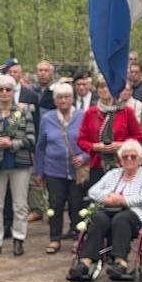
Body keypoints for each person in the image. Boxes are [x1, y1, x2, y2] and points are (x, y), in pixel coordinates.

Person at [68, 140, 142, 281]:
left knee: (121, 219)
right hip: (109, 210)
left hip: (133, 214)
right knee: (97, 219)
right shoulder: (113, 173)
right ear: (120, 160)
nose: (129, 159)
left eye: (133, 156)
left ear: (140, 159)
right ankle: (85, 262)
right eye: (125, 157)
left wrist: (124, 200)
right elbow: (92, 191)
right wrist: (107, 198)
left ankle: (120, 262)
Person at [0, 74, 36, 257]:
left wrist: (12, 143)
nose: (4, 93)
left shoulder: (22, 113)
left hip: (20, 163)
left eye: (8, 89)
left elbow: (31, 139)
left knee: (20, 205)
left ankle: (19, 238)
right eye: (1, 89)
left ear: (13, 92)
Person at [34, 82, 88, 254]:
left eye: (66, 97)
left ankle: (77, 238)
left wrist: (84, 157)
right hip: (53, 170)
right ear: (55, 100)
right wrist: (39, 171)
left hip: (76, 171)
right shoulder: (47, 118)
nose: (63, 100)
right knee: (55, 205)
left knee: (77, 205)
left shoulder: (82, 116)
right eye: (59, 97)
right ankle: (54, 238)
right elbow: (41, 147)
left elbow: (90, 142)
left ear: (72, 99)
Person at [77, 76, 142, 186]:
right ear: (97, 90)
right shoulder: (90, 113)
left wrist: (121, 145)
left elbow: (139, 136)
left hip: (122, 164)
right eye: (101, 87)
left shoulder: (126, 111)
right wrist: (96, 147)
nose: (105, 90)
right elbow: (81, 140)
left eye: (108, 87)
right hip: (97, 166)